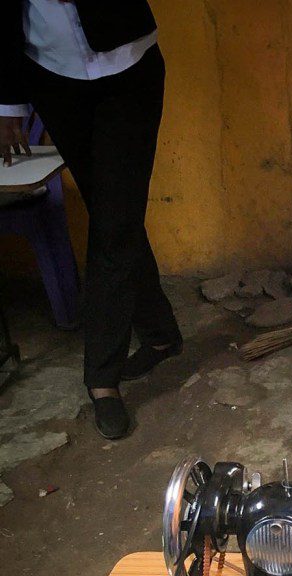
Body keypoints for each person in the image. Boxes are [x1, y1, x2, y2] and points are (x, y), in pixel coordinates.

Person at [0, 0, 182, 440]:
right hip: (51, 75)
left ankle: (102, 379)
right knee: (113, 214)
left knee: (114, 224)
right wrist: (8, 106)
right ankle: (160, 333)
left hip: (129, 68)